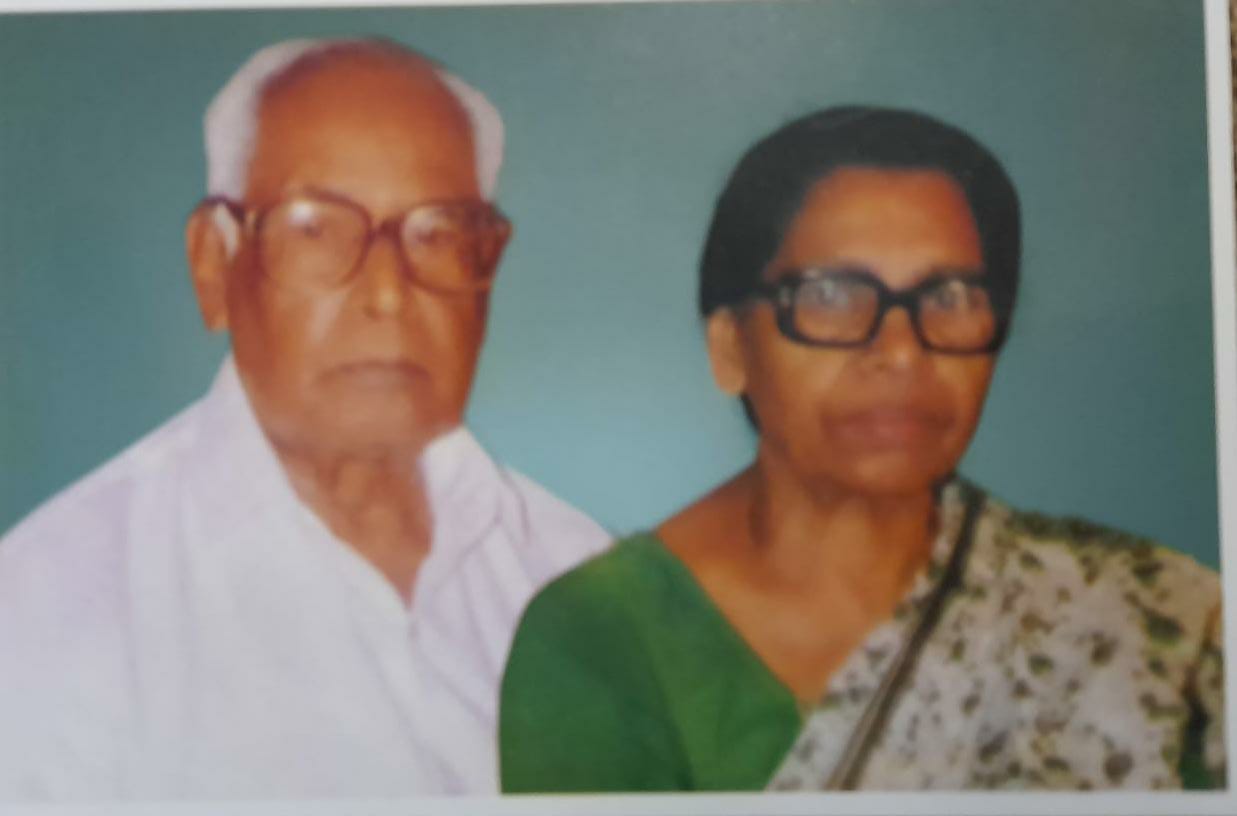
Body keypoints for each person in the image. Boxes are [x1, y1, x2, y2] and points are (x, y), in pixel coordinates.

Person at [499, 106, 1225, 792]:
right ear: (731, 349)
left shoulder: (1148, 621)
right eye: (831, 296)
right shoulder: (602, 635)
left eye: (949, 298)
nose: (902, 353)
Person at [0, 38, 608, 799]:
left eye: (439, 233)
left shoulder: (581, 582)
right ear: (213, 266)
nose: (387, 293)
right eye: (315, 229)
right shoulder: (45, 607)